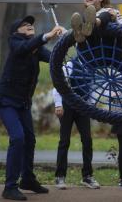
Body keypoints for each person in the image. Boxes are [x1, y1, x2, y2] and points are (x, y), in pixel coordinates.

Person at [0, 15, 63, 200]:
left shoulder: (36, 48)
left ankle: (27, 179)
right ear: (16, 32)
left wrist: (65, 41)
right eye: (24, 25)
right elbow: (25, 47)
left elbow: (55, 59)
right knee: (18, 138)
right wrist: (47, 36)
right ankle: (9, 187)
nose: (29, 26)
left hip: (23, 103)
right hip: (6, 100)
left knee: (30, 140)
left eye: (30, 24)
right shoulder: (16, 43)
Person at [52, 59, 100, 190]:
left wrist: (92, 106)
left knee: (87, 140)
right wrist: (58, 104)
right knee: (64, 141)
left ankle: (87, 176)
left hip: (83, 107)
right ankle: (60, 176)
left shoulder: (92, 66)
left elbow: (91, 88)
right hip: (68, 105)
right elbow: (58, 83)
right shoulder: (70, 64)